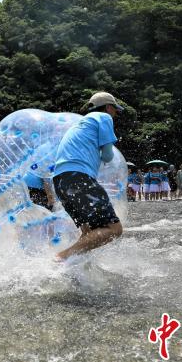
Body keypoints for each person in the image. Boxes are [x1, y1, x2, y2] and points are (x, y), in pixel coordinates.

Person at [52, 92, 124, 261]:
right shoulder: (103, 118)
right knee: (114, 229)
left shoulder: (80, 125)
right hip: (79, 177)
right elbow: (107, 156)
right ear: (108, 107)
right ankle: (60, 257)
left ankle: (71, 266)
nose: (115, 114)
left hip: (60, 181)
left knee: (88, 234)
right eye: (115, 110)